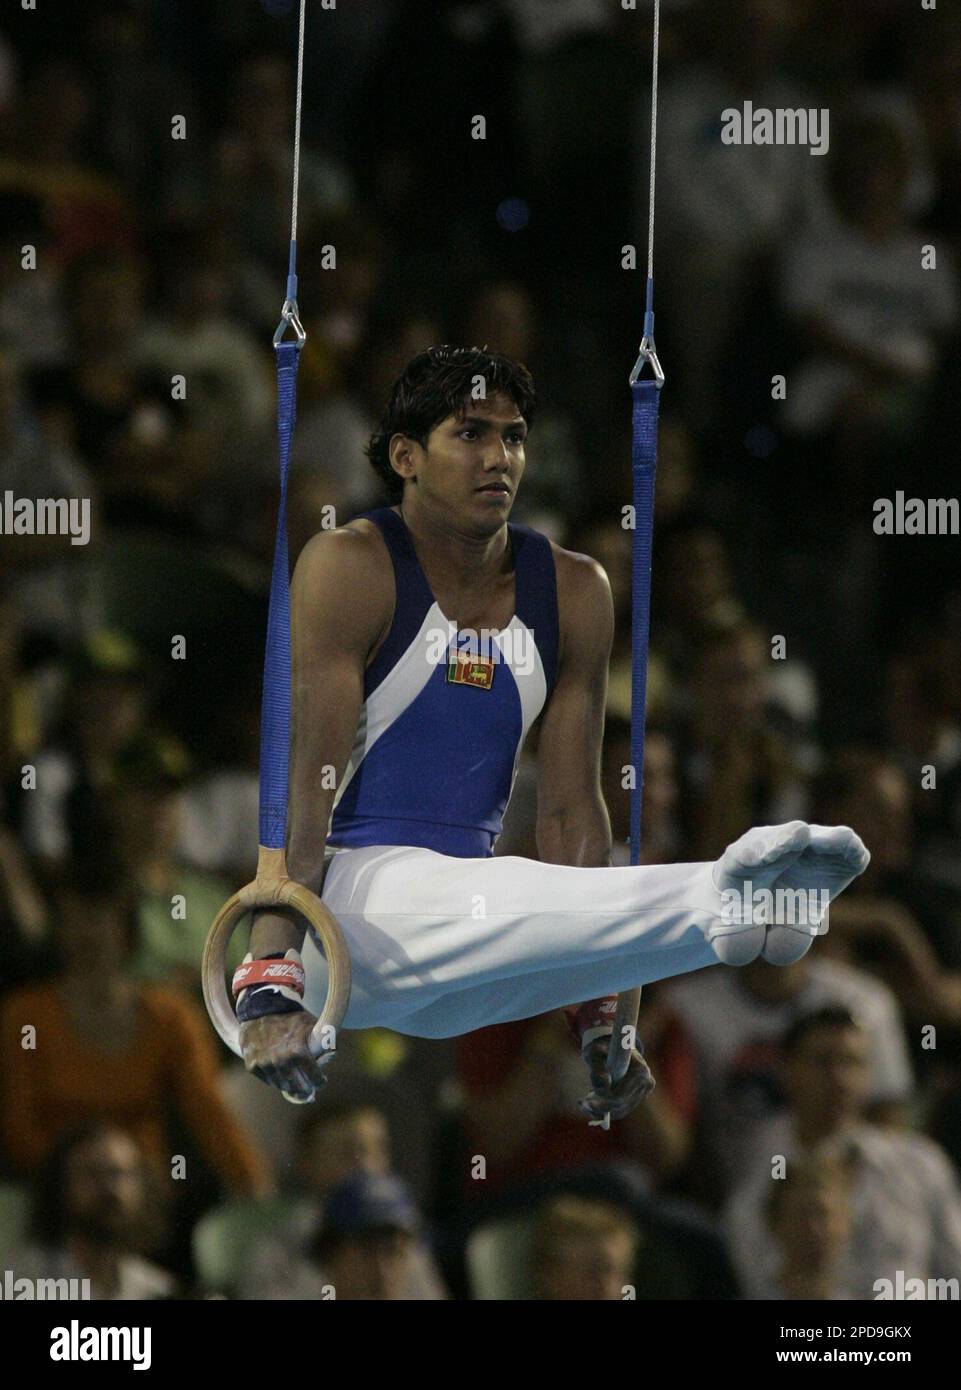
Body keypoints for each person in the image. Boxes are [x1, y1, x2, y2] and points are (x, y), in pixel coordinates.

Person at [234, 346, 870, 1117]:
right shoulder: (351, 567)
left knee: (521, 896)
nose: (498, 457)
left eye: (513, 437)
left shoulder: (571, 589)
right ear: (405, 455)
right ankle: (721, 892)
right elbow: (309, 787)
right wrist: (269, 976)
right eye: (470, 434)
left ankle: (746, 922)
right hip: (348, 916)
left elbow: (571, 814)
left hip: (471, 958)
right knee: (490, 892)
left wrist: (605, 1007)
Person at [724, 1007, 961, 1299]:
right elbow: (764, 1287)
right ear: (787, 1071)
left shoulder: (921, 1163)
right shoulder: (760, 1176)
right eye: (823, 1062)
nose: (840, 1077)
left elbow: (955, 1273)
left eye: (852, 1062)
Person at [8, 1123, 177, 1301]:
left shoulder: (157, 1290)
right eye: (92, 1174)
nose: (109, 1188)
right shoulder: (21, 1283)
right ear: (61, 1185)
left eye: (119, 1174)